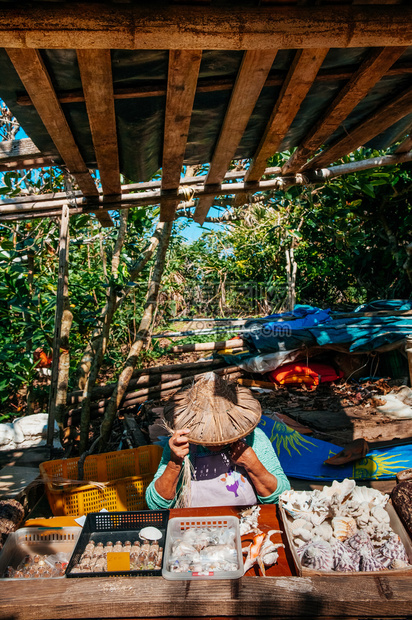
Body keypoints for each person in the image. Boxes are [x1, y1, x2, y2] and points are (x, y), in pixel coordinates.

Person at [145, 372, 290, 509]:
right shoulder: (181, 445)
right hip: (193, 525)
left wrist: (252, 464)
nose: (216, 442)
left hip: (246, 521)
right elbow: (156, 504)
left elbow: (282, 497)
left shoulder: (254, 439)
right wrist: (174, 463)